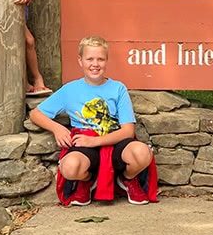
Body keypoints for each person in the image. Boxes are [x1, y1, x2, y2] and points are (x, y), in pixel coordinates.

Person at [29, 36, 157, 207]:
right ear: (80, 61)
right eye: (90, 59)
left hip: (114, 142)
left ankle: (127, 179)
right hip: (84, 143)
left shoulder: (118, 88)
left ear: (106, 61)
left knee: (142, 153)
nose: (95, 64)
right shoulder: (70, 90)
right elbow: (36, 114)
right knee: (70, 167)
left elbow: (128, 131)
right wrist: (57, 129)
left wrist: (95, 140)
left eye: (100, 59)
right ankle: (87, 181)